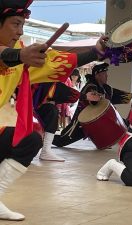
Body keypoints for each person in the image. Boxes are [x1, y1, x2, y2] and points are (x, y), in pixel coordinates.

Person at [0, 0, 107, 220]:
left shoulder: (20, 52)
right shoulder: (18, 54)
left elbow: (58, 60)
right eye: (15, 24)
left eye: (23, 25)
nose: (20, 32)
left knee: (29, 140)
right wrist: (18, 56)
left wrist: (97, 52)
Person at [52, 63, 132, 148]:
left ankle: (128, 146)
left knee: (125, 124)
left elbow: (119, 95)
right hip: (82, 123)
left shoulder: (106, 88)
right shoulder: (90, 86)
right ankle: (43, 138)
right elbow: (93, 102)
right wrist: (99, 98)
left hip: (98, 122)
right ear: (97, 76)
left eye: (106, 74)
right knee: (62, 140)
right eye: (104, 74)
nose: (107, 76)